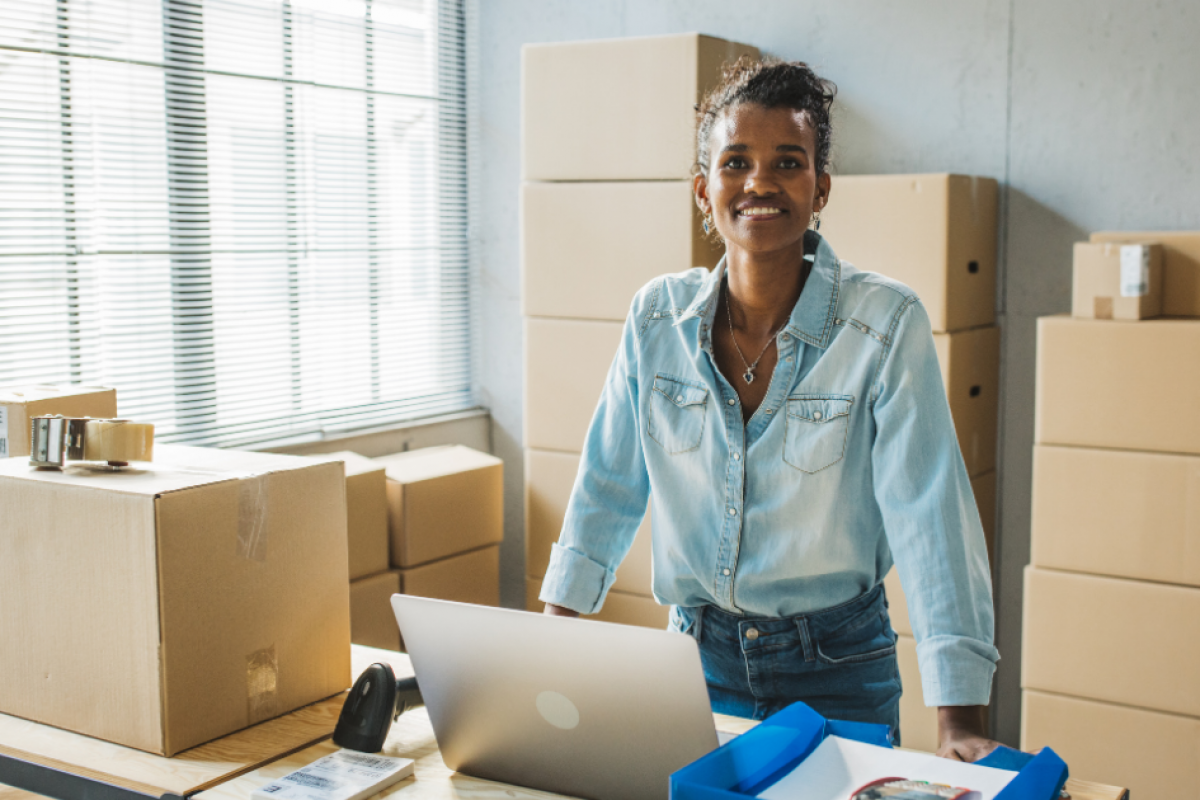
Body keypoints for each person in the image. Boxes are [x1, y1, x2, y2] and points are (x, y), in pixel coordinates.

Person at [538, 57, 999, 763]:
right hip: (694, 666)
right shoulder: (656, 317)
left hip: (839, 671)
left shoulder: (883, 323)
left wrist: (959, 720)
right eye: (736, 163)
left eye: (788, 162)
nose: (760, 182)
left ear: (819, 190)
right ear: (704, 190)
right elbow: (607, 484)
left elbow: (930, 515)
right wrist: (549, 644)